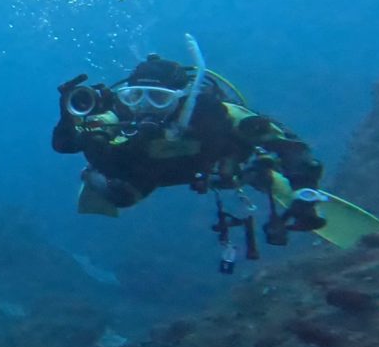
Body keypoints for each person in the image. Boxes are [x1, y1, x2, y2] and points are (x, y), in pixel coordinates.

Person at [51, 46, 326, 247]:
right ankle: (92, 176)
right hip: (150, 173)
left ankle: (259, 174)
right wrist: (68, 117)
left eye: (159, 98)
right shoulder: (120, 115)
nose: (146, 107)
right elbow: (65, 144)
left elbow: (288, 145)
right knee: (119, 196)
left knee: (246, 160)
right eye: (136, 96)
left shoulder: (217, 114)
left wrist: (304, 191)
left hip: (212, 168)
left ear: (185, 98)